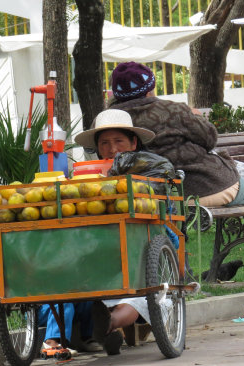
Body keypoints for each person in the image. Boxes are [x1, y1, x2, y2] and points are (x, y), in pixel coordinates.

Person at [106, 61, 244, 207]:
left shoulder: (105, 122)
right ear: (149, 90)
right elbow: (210, 139)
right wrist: (196, 117)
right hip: (206, 188)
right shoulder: (172, 110)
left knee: (242, 176)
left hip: (144, 200)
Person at [74, 109, 160, 356]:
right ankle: (110, 326)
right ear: (98, 148)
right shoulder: (88, 173)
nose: (112, 149)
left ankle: (111, 324)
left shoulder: (149, 167)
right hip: (100, 247)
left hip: (143, 244)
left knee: (139, 291)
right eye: (105, 143)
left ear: (134, 143)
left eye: (118, 141)